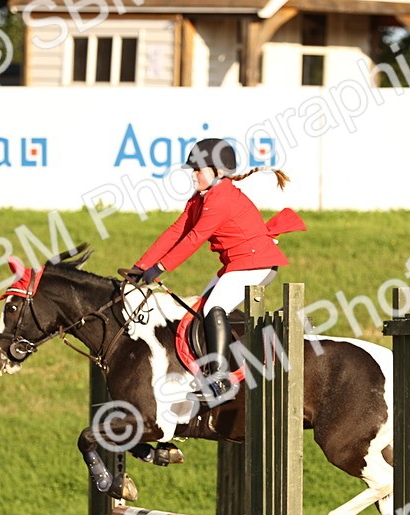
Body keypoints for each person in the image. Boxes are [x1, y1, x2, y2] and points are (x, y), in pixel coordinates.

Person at [125, 138, 305, 401]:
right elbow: (177, 230)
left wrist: (160, 268)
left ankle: (220, 380)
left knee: (212, 309)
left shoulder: (221, 199)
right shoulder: (201, 198)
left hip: (255, 264)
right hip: (238, 264)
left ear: (218, 172)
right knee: (201, 310)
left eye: (198, 169)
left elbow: (195, 237)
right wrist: (141, 266)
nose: (194, 175)